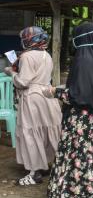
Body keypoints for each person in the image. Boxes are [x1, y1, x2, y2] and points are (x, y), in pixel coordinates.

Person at [47, 22, 93, 197]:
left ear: (80, 38)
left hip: (82, 119)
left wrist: (55, 92)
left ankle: (79, 186)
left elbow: (79, 96)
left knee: (80, 151)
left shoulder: (82, 59)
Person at [3, 27, 62, 186]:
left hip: (32, 98)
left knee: (31, 133)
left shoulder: (27, 56)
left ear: (30, 40)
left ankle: (35, 172)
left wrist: (11, 73)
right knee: (47, 131)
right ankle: (50, 165)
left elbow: (23, 82)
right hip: (48, 96)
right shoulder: (46, 54)